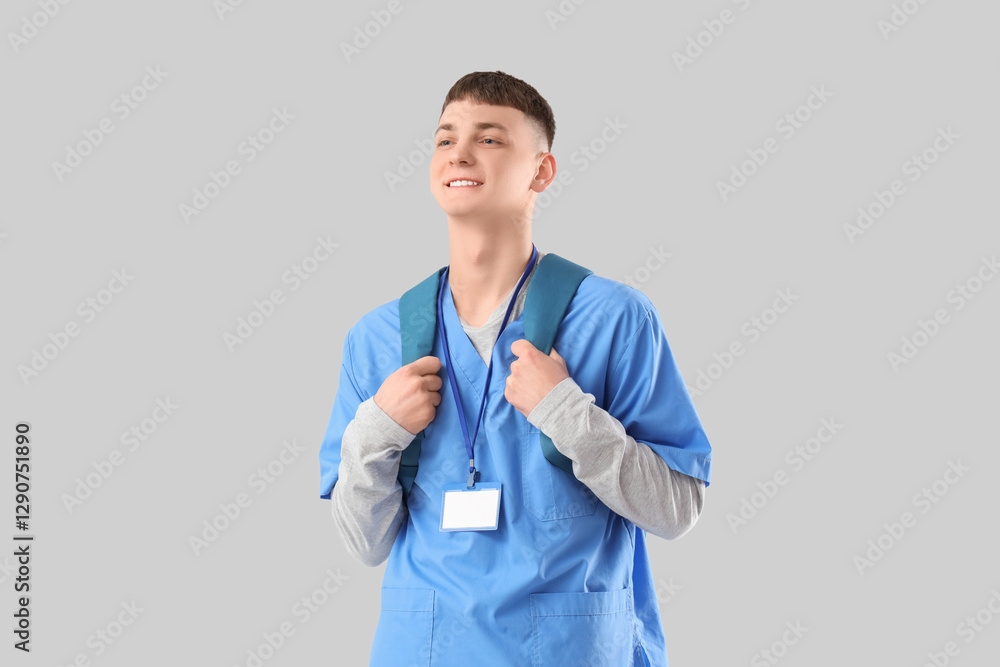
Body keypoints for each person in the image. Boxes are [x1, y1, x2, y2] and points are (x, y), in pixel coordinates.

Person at [318, 70, 713, 666]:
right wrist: (377, 431)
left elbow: (676, 510)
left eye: (491, 138)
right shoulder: (378, 339)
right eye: (446, 138)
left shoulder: (613, 319)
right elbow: (365, 543)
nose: (460, 153)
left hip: (565, 650)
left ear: (542, 170)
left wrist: (569, 416)